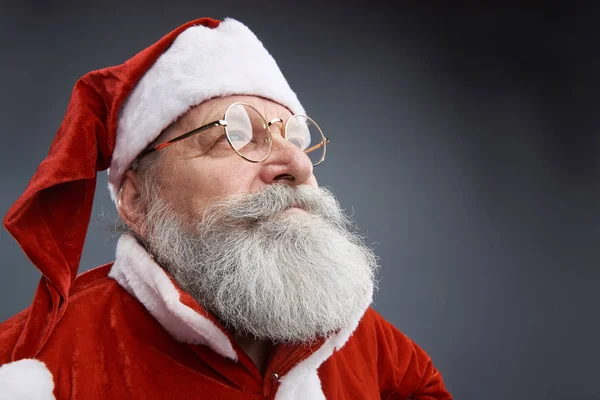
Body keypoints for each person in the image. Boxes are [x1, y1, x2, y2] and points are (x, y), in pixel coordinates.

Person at [0, 17, 451, 399]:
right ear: (137, 200)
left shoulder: (379, 351)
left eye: (294, 138)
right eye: (235, 135)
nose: (295, 163)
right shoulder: (36, 368)